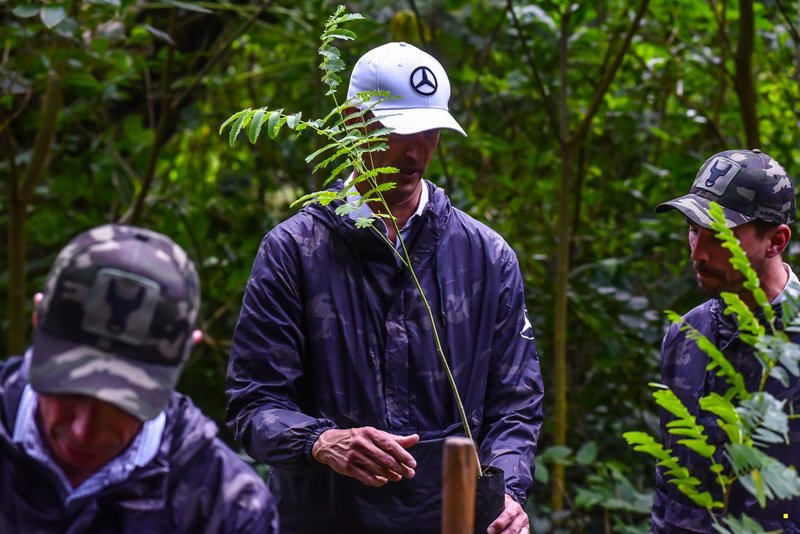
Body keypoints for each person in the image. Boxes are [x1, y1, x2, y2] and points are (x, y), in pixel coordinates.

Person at [226, 41, 543, 533]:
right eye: (399, 132)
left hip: (451, 517)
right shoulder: (295, 251)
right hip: (324, 517)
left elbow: (515, 402)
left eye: (430, 131)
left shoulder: (484, 255)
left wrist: (507, 493)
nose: (417, 151)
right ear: (354, 123)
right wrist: (321, 441)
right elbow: (254, 403)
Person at [0, 224, 278, 533]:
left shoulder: (225, 509)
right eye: (69, 391)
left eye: (122, 404)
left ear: (185, 355)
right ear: (37, 320)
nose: (84, 430)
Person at [652, 148, 800, 532]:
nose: (698, 252)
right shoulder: (685, 336)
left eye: (719, 235)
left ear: (776, 240)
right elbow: (670, 488)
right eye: (693, 229)